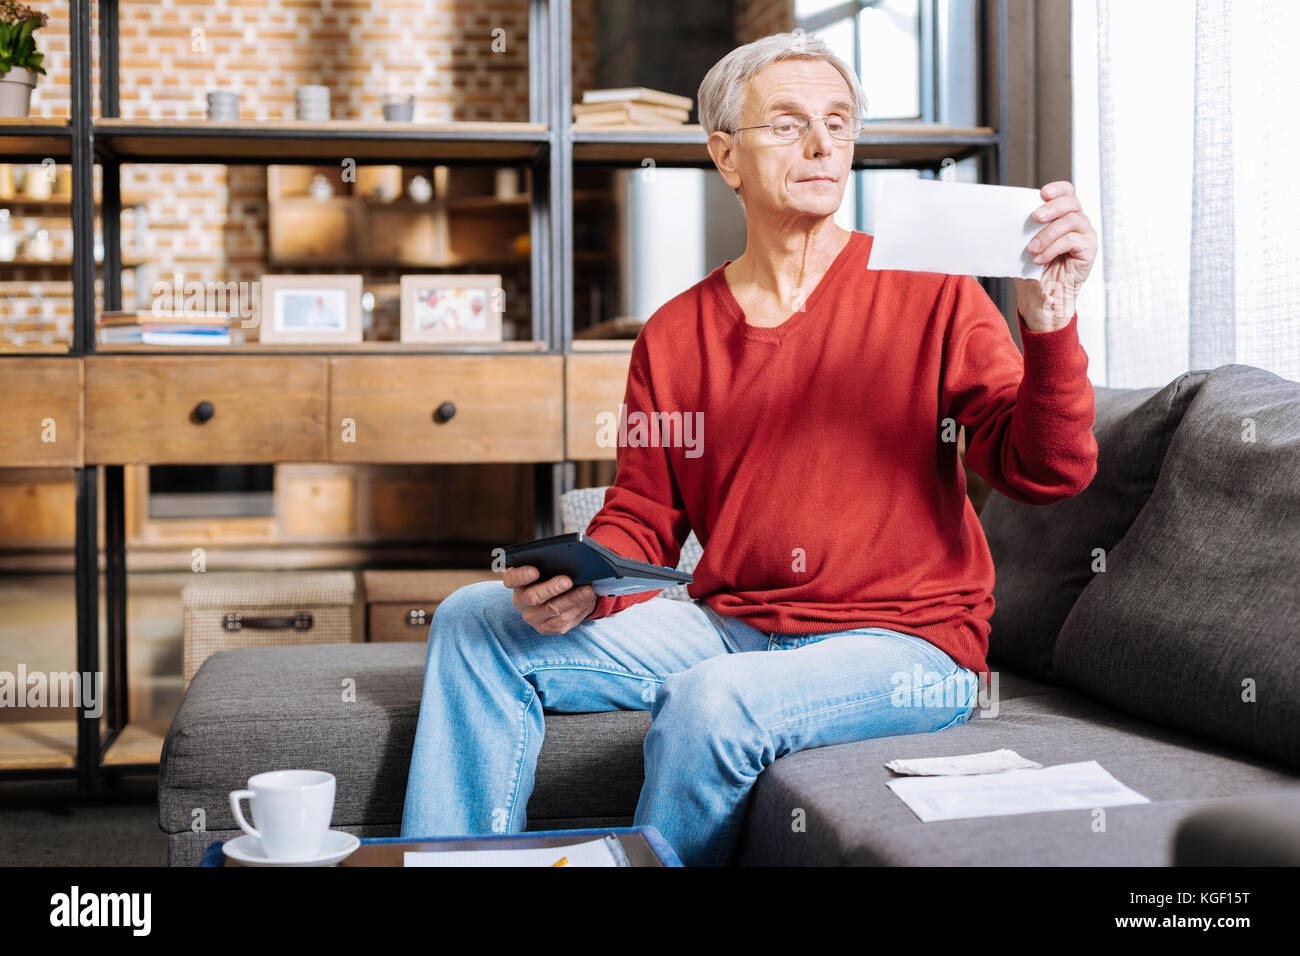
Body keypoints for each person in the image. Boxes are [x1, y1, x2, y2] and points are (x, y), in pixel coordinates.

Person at [400, 30, 1100, 866]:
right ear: (725, 155)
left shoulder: (934, 292)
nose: (821, 146)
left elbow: (1047, 470)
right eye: (789, 124)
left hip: (903, 646)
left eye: (839, 125)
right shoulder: (674, 333)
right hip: (731, 626)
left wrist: (1049, 327)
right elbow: (643, 514)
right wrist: (586, 584)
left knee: (712, 703)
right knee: (475, 621)